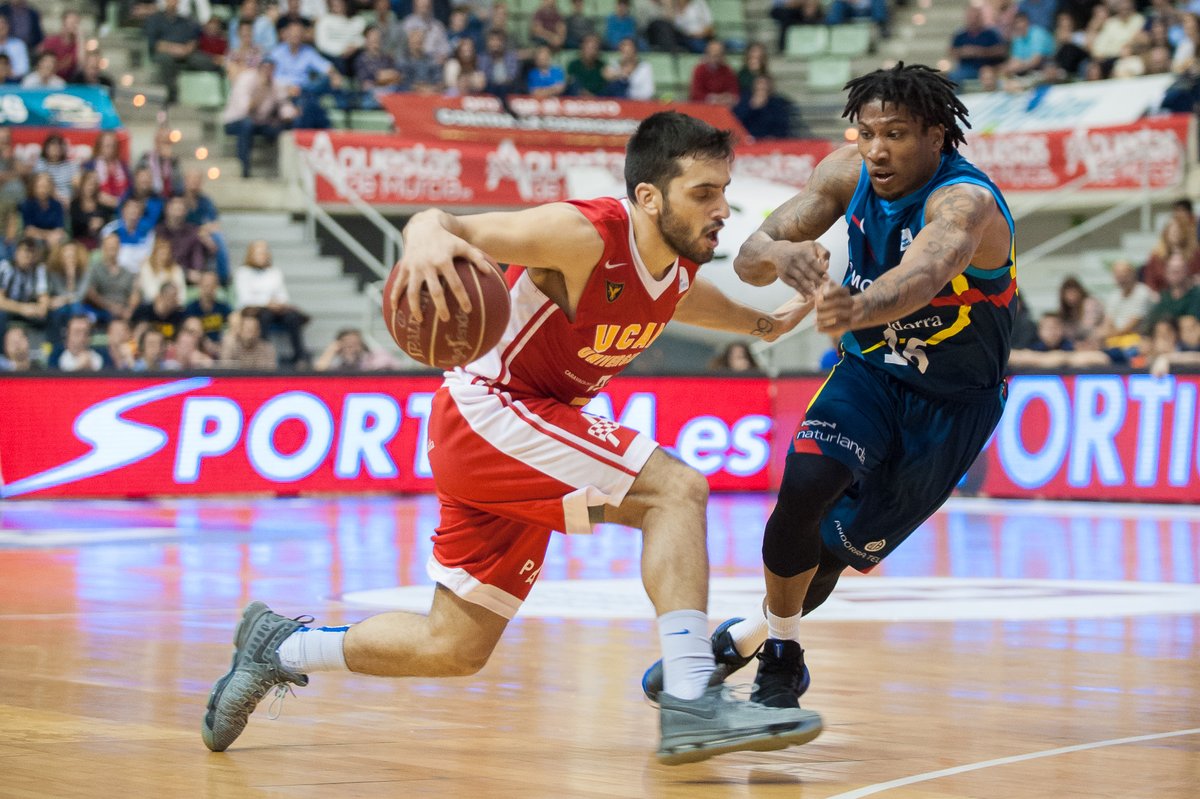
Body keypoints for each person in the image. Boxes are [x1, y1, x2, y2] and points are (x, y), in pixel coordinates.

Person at [200, 110, 822, 764]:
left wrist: (761, 325)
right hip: (492, 413)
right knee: (675, 490)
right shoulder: (584, 232)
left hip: (509, 440)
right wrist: (421, 237)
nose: (721, 207)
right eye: (703, 193)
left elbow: (679, 299)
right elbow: (447, 224)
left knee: (454, 645)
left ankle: (280, 646)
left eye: (723, 190)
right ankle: (694, 696)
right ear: (647, 196)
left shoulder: (674, 266)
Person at [646, 64, 1018, 712]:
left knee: (829, 556)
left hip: (950, 405)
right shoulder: (847, 175)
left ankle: (748, 635)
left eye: (896, 134)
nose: (876, 149)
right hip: (871, 369)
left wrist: (858, 305)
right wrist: (780, 256)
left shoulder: (966, 204)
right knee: (806, 485)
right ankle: (784, 657)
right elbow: (749, 254)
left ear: (936, 136)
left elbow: (923, 275)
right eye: (867, 132)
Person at [234, 240, 310, 367]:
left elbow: (283, 296)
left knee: (292, 317)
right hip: (254, 310)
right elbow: (245, 298)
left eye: (265, 252)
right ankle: (265, 355)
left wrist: (277, 304)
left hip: (276, 309)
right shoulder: (242, 272)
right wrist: (267, 302)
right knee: (265, 315)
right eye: (259, 253)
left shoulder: (275, 272)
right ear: (251, 254)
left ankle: (299, 356)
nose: (263, 255)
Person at [221, 58, 297, 179]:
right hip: (235, 121)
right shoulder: (246, 80)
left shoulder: (275, 84)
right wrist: (261, 90)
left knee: (282, 126)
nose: (268, 72)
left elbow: (284, 105)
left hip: (260, 122)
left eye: (271, 69)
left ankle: (281, 167)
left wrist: (290, 114)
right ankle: (244, 166)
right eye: (265, 69)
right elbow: (245, 110)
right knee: (247, 124)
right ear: (259, 69)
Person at [84, 233, 140, 323]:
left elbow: (134, 294)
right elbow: (90, 292)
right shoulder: (95, 269)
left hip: (124, 309)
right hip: (101, 309)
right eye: (109, 246)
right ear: (103, 248)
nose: (112, 249)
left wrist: (129, 310)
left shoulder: (127, 272)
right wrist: (110, 307)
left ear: (119, 248)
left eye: (115, 246)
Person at [314, 326, 399, 370]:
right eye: (347, 344)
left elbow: (388, 366)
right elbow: (319, 370)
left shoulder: (375, 357)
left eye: (354, 343)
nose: (351, 347)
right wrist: (331, 350)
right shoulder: (338, 366)